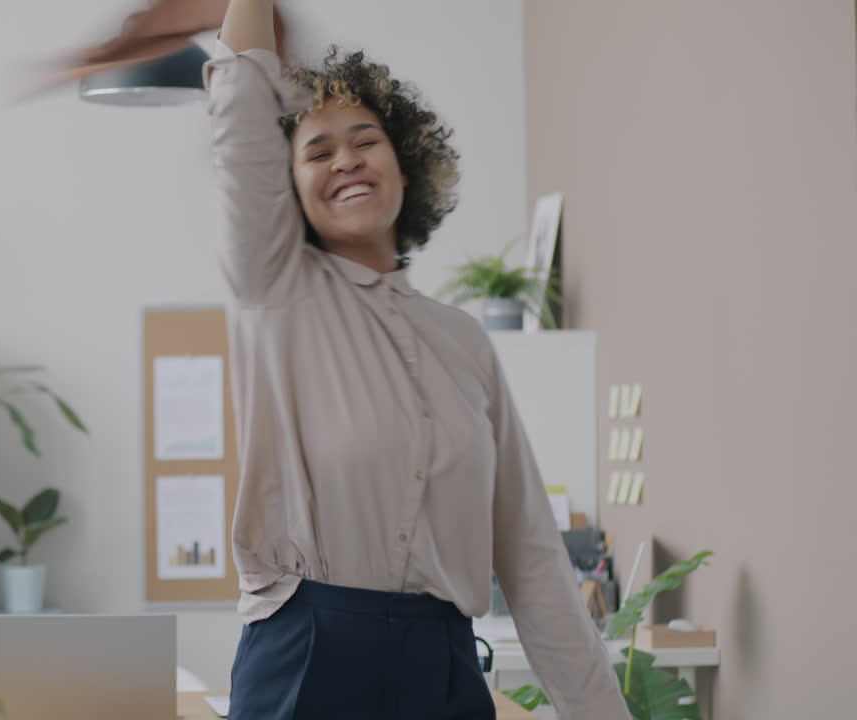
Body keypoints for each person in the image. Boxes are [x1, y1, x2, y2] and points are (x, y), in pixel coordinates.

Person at [203, 2, 631, 718]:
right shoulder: (274, 290)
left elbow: (529, 558)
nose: (345, 159)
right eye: (316, 150)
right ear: (286, 189)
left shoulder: (463, 342)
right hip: (306, 658)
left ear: (405, 164)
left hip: (444, 667)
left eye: (365, 139)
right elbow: (243, 97)